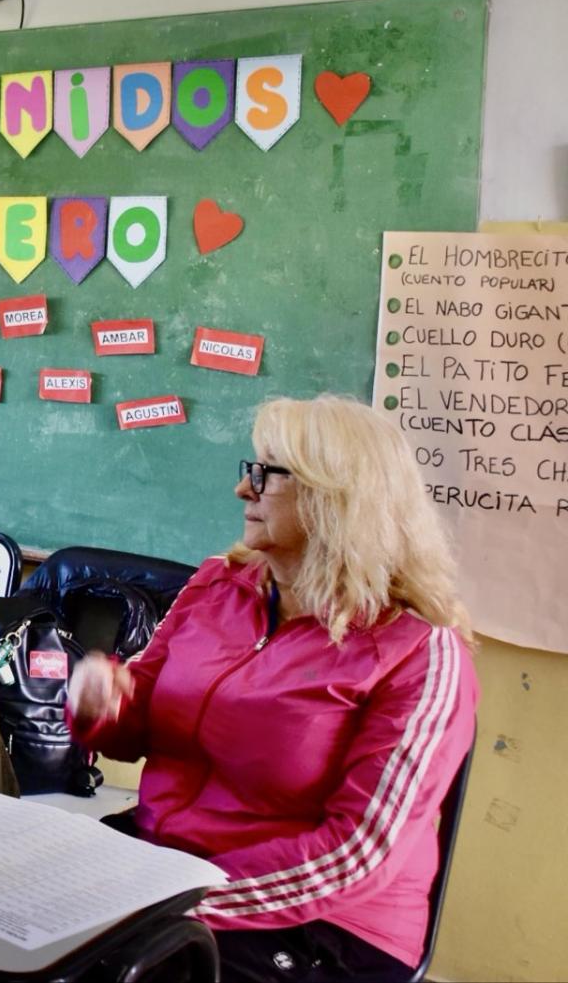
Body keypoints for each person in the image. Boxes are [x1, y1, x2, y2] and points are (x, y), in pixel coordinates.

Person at [68, 395, 478, 983]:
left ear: (334, 498)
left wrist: (175, 906)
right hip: (169, 863)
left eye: (265, 474)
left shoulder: (420, 649)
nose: (243, 490)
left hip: (327, 923)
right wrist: (99, 702)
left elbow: (358, 855)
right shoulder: (217, 583)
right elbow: (134, 725)